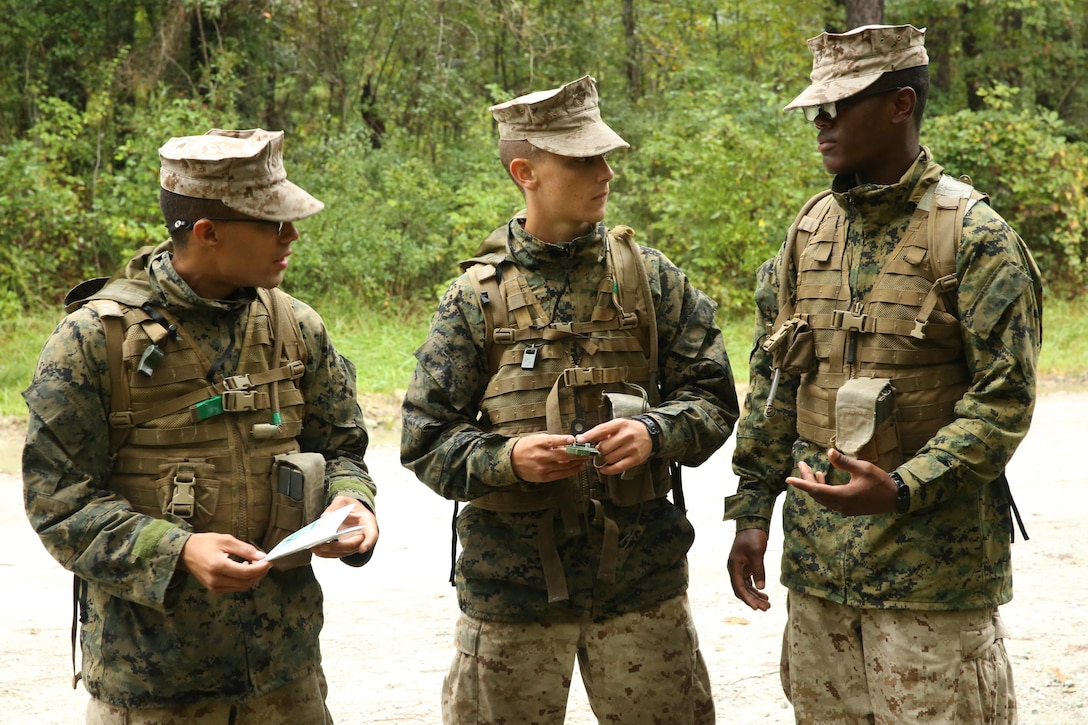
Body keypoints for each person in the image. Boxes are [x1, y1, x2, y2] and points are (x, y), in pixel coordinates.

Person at [723, 24, 1043, 724]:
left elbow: (1004, 404)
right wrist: (752, 509)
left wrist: (900, 489)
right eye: (816, 105)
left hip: (933, 580)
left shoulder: (976, 237)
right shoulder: (808, 233)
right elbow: (775, 379)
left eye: (839, 103)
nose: (820, 120)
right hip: (819, 580)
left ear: (900, 104)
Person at [401, 75, 739, 724]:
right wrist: (508, 460)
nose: (606, 171)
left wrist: (656, 434)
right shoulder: (477, 295)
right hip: (511, 595)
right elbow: (424, 439)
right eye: (584, 158)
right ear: (526, 171)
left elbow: (714, 398)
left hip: (641, 588)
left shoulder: (650, 278)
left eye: (605, 154)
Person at [22, 128, 380, 724]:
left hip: (284, 678)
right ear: (208, 232)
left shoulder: (297, 327)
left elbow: (343, 447)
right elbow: (57, 503)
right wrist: (178, 549)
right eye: (273, 222)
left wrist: (353, 503)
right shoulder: (93, 339)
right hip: (154, 681)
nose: (292, 236)